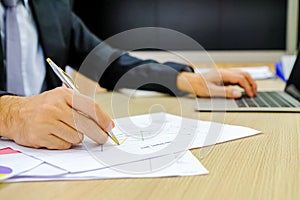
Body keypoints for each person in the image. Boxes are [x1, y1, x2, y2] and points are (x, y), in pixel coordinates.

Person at [0, 0, 257, 150]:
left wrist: (183, 79)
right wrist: (11, 114)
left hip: (53, 153)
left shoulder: (51, 5)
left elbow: (108, 62)